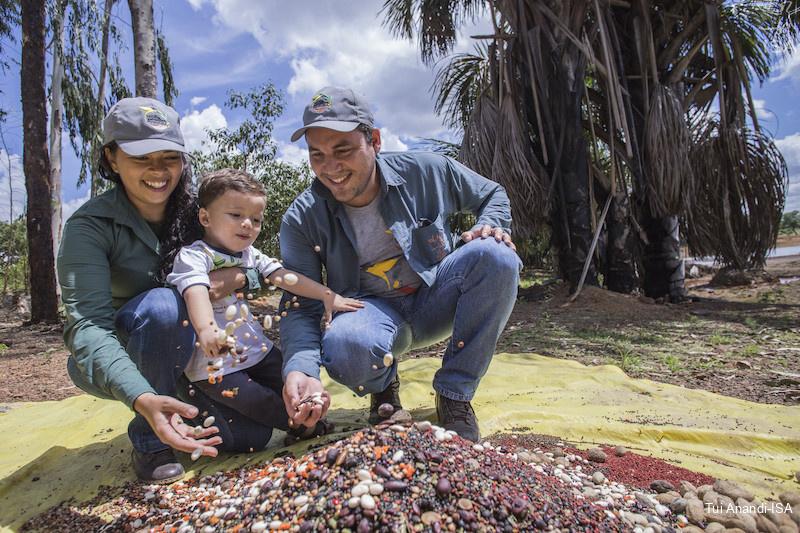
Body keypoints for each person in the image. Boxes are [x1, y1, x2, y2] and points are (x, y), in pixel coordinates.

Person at [59, 98, 299, 484]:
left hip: (197, 351)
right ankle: (150, 439)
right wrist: (141, 396)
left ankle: (183, 399)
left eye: (169, 157)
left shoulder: (202, 210)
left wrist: (235, 280)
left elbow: (250, 263)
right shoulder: (90, 227)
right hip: (127, 353)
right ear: (111, 157)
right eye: (141, 157)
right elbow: (87, 328)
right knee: (163, 306)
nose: (158, 171)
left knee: (248, 438)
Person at [279, 87, 522, 442]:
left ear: (374, 141)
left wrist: (493, 225)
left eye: (343, 150)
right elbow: (299, 304)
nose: (330, 168)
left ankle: (454, 394)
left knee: (497, 254)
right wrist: (301, 369)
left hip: (436, 298)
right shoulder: (303, 218)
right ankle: (384, 386)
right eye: (317, 155)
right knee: (346, 345)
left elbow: (491, 194)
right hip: (370, 312)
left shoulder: (425, 171)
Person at [167, 168, 361, 440]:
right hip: (216, 363)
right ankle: (302, 425)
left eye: (256, 219)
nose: (248, 224)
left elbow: (284, 277)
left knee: (290, 375)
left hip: (256, 349)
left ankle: (308, 412)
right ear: (205, 217)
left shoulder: (250, 255)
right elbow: (196, 291)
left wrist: (327, 294)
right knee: (257, 401)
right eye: (236, 215)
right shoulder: (195, 256)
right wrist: (207, 329)